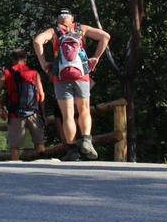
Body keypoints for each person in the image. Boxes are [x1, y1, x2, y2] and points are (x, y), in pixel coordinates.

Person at [32, 9, 111, 161]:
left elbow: (37, 40)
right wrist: (96, 58)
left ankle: (72, 150)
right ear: (72, 19)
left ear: (58, 21)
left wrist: (43, 63)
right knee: (84, 109)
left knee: (67, 114)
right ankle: (87, 140)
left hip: (61, 76)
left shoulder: (54, 31)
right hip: (82, 75)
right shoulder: (81, 29)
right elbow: (105, 36)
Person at [0, 49, 46, 161]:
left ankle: (15, 170)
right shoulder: (34, 73)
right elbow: (41, 95)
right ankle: (42, 166)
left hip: (15, 113)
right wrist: (43, 114)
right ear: (25, 59)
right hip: (33, 112)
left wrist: (1, 110)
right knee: (39, 143)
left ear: (13, 59)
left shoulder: (6, 73)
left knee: (15, 146)